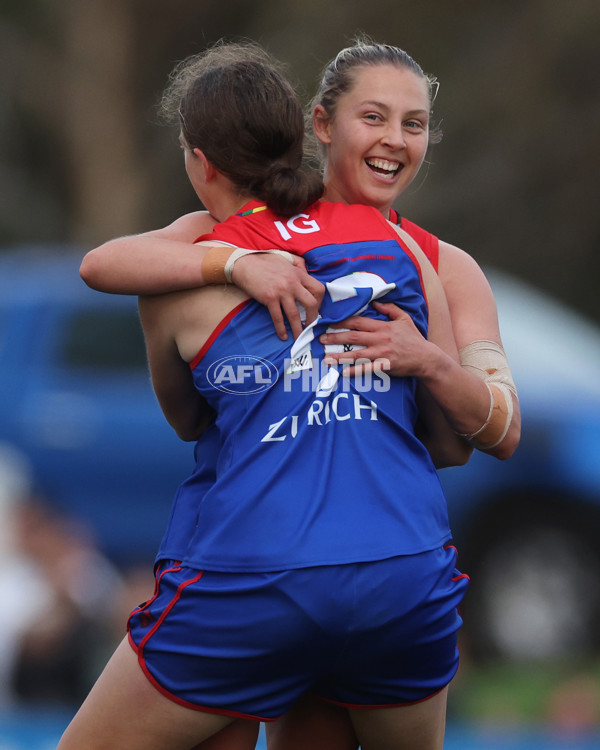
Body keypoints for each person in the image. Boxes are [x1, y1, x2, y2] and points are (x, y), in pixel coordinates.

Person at [59, 41, 472, 750]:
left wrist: (237, 276)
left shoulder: (177, 277)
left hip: (253, 583)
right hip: (406, 579)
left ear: (199, 160)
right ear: (306, 133)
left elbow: (186, 417)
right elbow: (454, 443)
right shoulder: (398, 245)